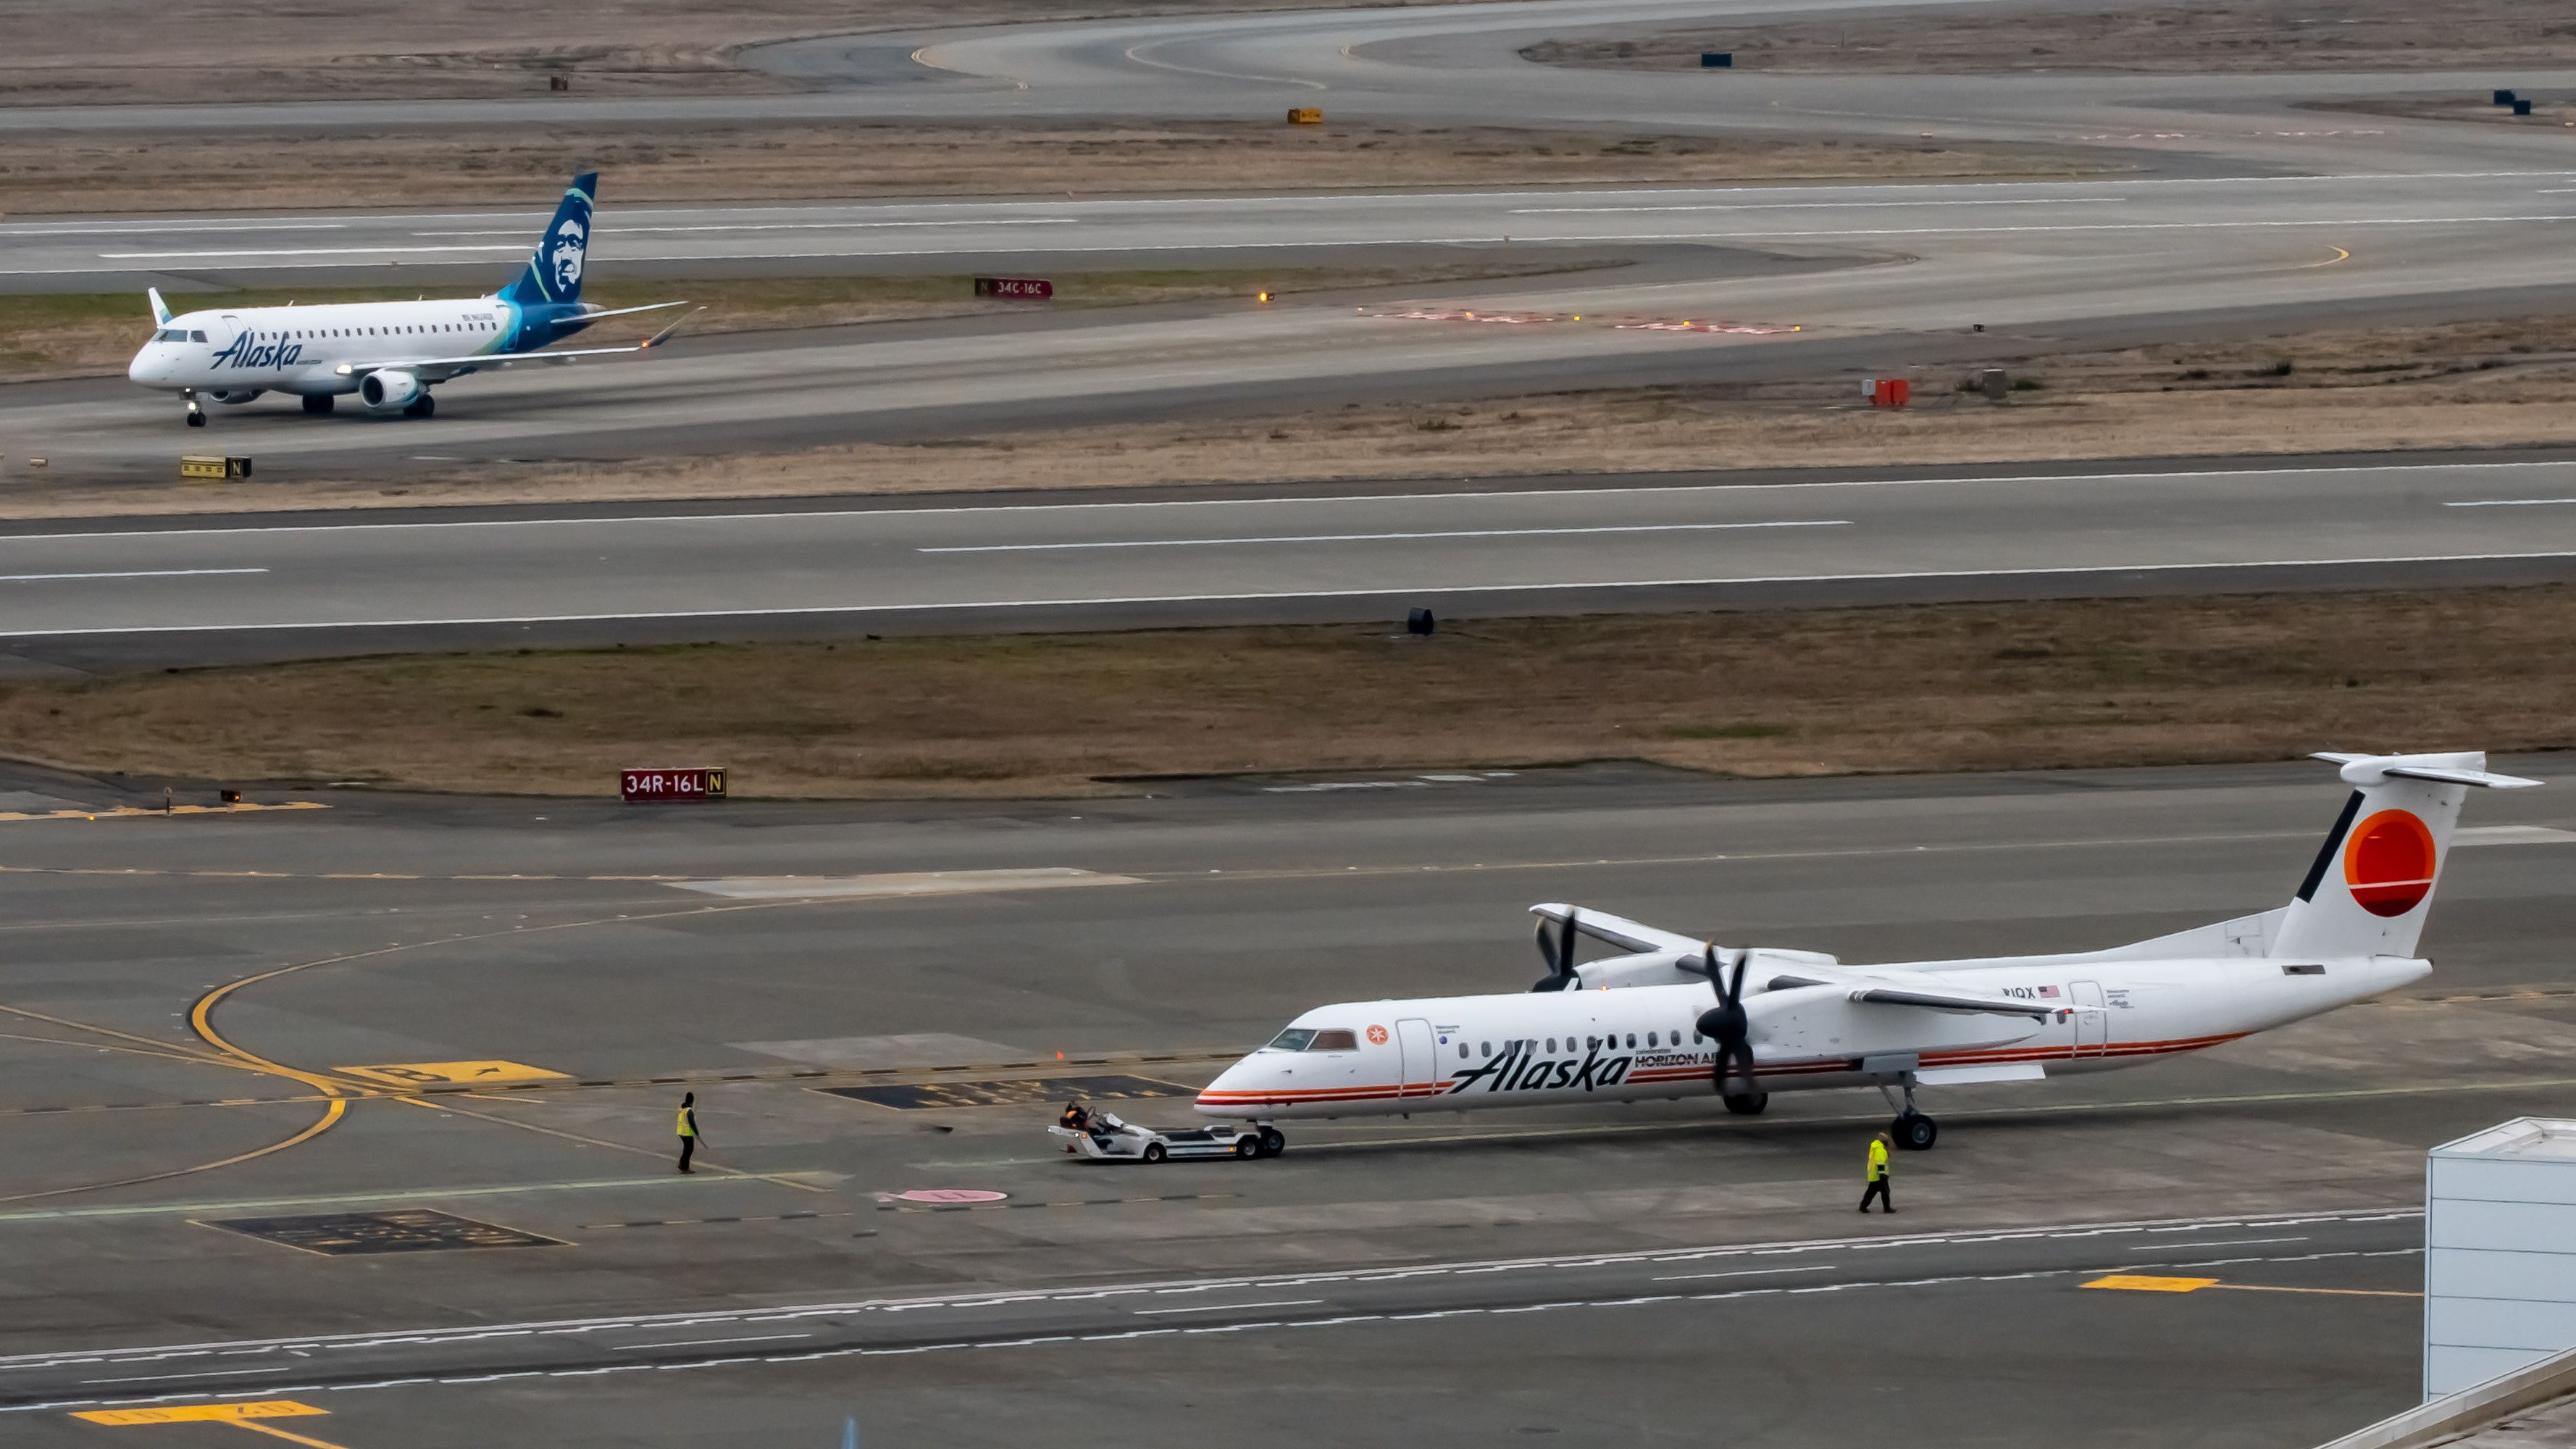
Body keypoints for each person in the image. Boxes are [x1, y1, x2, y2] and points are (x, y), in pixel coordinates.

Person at [1859, 1130, 1894, 1214]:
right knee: (1885, 1192)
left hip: (1873, 1174)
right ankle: (1887, 1209)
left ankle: (1863, 1206)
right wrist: (1882, 1174)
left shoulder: (1875, 1146)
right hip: (1879, 1175)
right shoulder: (1880, 1149)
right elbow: (1880, 1162)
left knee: (1871, 1192)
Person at [676, 1092, 703, 1174]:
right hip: (686, 1133)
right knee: (689, 1150)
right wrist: (697, 1133)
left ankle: (682, 1164)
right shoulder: (689, 1111)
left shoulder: (683, 1109)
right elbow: (692, 1123)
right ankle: (685, 1167)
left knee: (686, 1150)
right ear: (692, 1101)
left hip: (681, 1132)